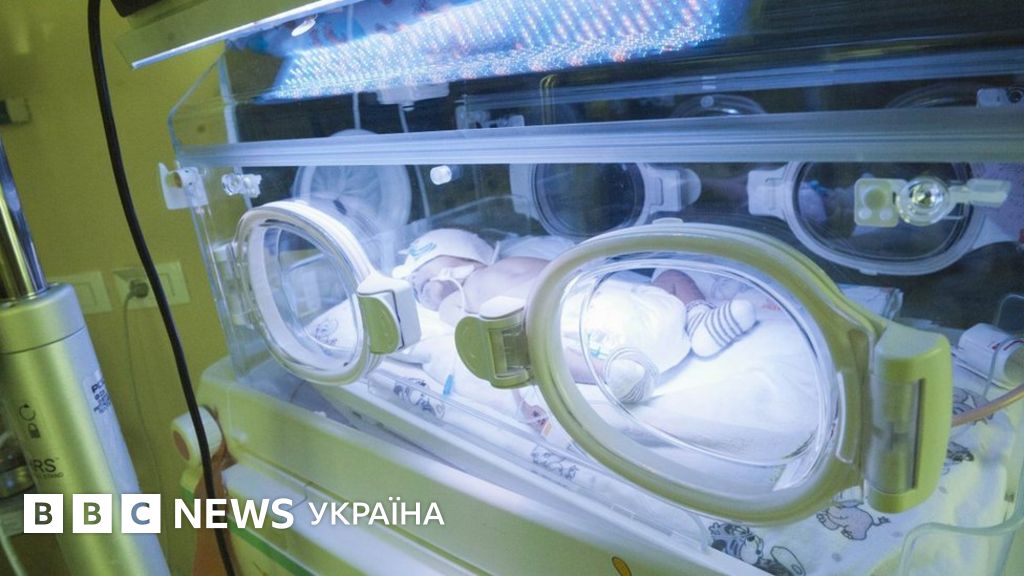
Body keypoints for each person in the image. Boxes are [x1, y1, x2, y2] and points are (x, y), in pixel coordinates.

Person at [392, 228, 758, 404]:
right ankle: (697, 320)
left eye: (421, 278)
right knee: (670, 277)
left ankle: (614, 373)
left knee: (538, 348)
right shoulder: (508, 268)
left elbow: (461, 324)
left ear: (461, 262)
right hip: (630, 313)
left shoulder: (466, 292)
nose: (420, 287)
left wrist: (442, 300)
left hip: (595, 325)